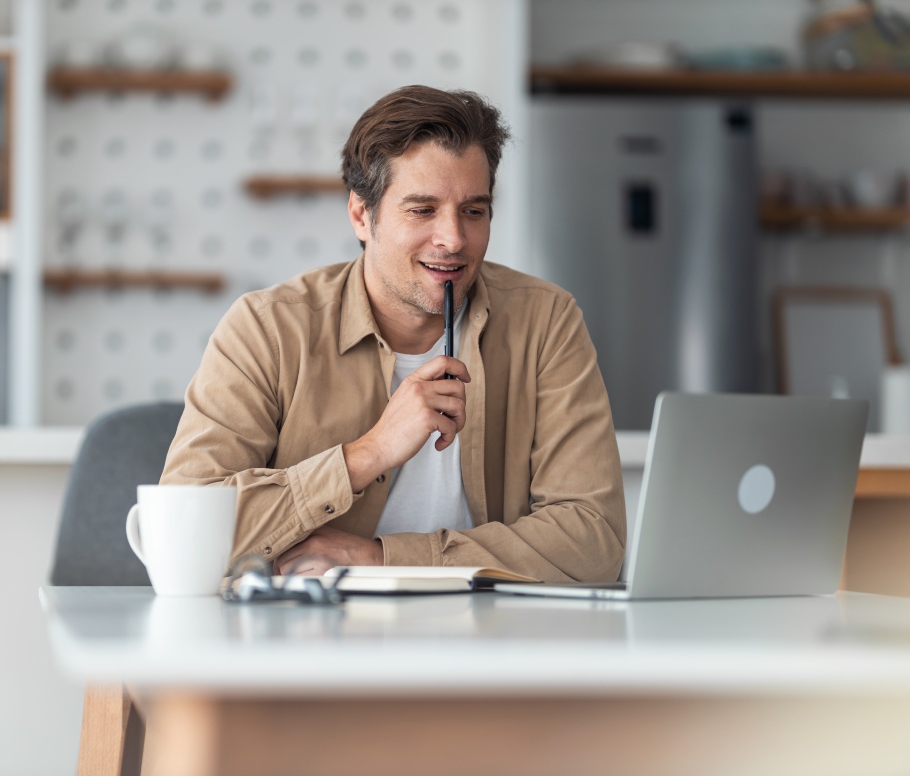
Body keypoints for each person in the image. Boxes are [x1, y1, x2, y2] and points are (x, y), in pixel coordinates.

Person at [160, 84, 625, 581]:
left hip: (489, 643)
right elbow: (181, 536)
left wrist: (381, 558)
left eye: (474, 211)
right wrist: (369, 453)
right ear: (362, 215)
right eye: (422, 210)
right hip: (308, 642)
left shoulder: (546, 321)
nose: (453, 239)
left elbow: (594, 540)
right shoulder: (267, 327)